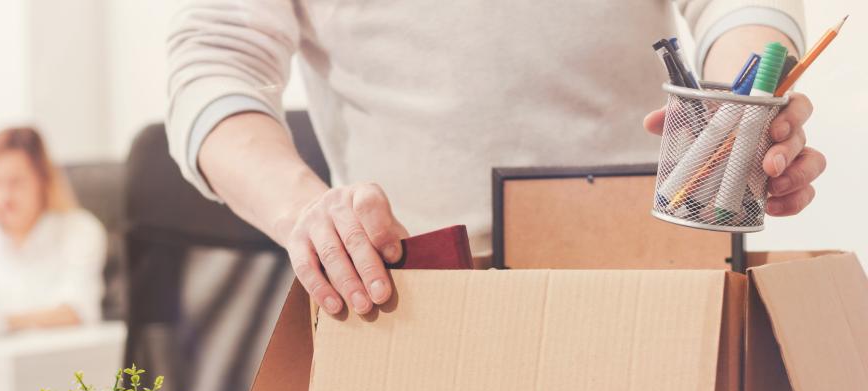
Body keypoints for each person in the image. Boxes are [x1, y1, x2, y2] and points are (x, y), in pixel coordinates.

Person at [166, 0, 822, 317]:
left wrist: (742, 114)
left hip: (656, 286)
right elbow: (215, 63)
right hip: (415, 295)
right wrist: (303, 212)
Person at [0, 127, 107, 330]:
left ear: (43, 181)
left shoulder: (80, 231)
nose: (3, 197)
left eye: (15, 183)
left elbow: (77, 312)